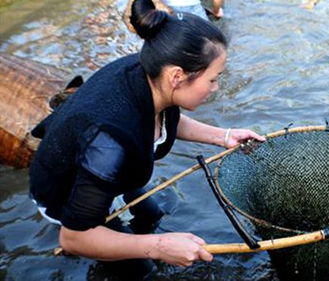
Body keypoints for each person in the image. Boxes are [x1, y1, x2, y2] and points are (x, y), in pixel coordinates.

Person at [28, 0, 265, 279]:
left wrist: (224, 136)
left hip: (106, 174)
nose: (216, 88)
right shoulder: (109, 144)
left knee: (152, 216)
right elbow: (73, 237)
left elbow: (166, 120)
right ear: (177, 76)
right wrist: (159, 247)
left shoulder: (149, 70)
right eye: (213, 79)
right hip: (67, 195)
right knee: (145, 272)